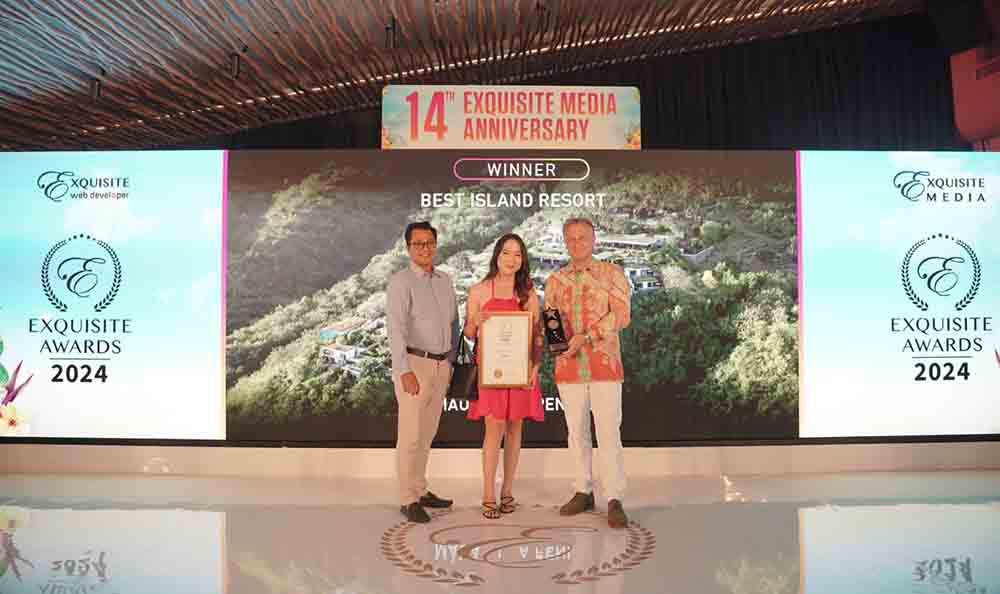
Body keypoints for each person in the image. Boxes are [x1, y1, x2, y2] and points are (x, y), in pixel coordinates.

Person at [544, 217, 631, 529]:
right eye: (571, 238)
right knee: (576, 431)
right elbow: (551, 321)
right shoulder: (554, 280)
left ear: (594, 240)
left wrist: (588, 336)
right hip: (568, 366)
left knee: (608, 432)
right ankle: (583, 491)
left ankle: (614, 498)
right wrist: (559, 346)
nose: (577, 243)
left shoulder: (611, 273)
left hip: (604, 365)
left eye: (583, 237)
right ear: (565, 242)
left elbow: (622, 314)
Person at [464, 233, 545, 519]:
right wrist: (476, 320)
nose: (512, 259)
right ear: (497, 255)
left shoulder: (529, 294)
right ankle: (488, 493)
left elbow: (537, 335)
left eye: (518, 254)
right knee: (493, 429)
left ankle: (508, 491)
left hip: (520, 370)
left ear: (523, 260)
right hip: (490, 371)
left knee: (515, 429)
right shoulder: (478, 291)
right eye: (506, 253)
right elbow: (469, 333)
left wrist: (535, 368)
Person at [386, 221, 460, 523]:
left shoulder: (445, 281)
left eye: (429, 243)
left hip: (442, 365)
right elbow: (395, 329)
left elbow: (454, 323)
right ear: (408, 248)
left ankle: (420, 488)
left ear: (435, 245)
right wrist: (403, 370)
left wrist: (451, 361)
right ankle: (407, 498)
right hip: (414, 365)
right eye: (418, 244)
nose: (425, 248)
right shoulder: (401, 282)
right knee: (410, 436)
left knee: (427, 433)